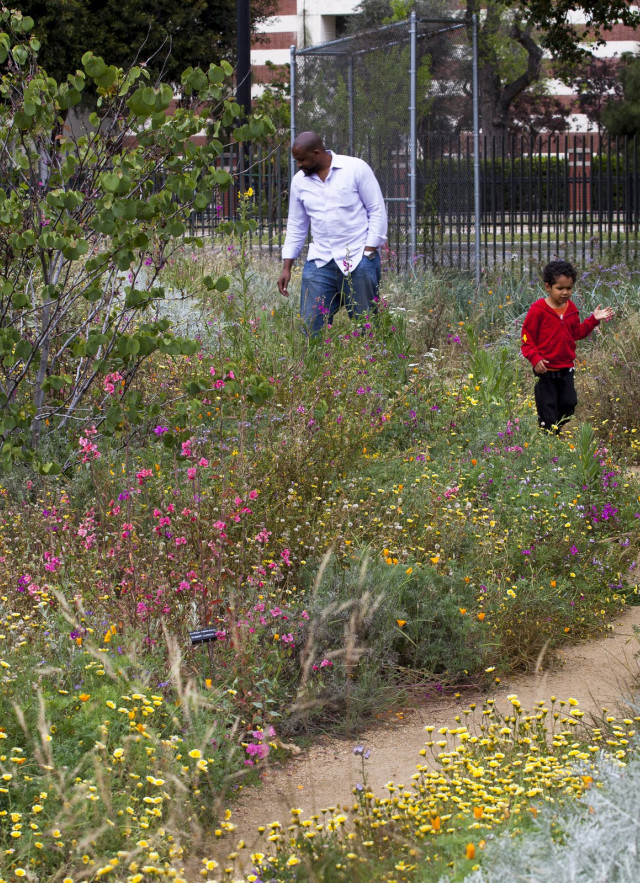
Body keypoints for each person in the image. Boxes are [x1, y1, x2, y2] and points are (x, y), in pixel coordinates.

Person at [277, 131, 388, 336]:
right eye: (296, 160)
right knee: (311, 328)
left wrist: (369, 252)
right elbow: (296, 225)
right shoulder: (299, 182)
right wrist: (287, 266)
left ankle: (372, 364)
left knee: (367, 327)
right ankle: (313, 367)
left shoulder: (355, 168)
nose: (299, 165)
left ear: (317, 153)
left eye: (302, 160)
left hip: (358, 258)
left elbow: (377, 210)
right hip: (321, 261)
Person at [521, 259, 613, 432]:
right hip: (546, 370)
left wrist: (593, 320)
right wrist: (535, 358)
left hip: (566, 369)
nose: (565, 292)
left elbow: (577, 333)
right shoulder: (538, 310)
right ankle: (549, 436)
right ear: (548, 287)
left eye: (569, 288)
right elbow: (527, 338)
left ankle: (553, 428)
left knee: (569, 406)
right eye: (560, 288)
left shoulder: (571, 309)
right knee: (548, 409)